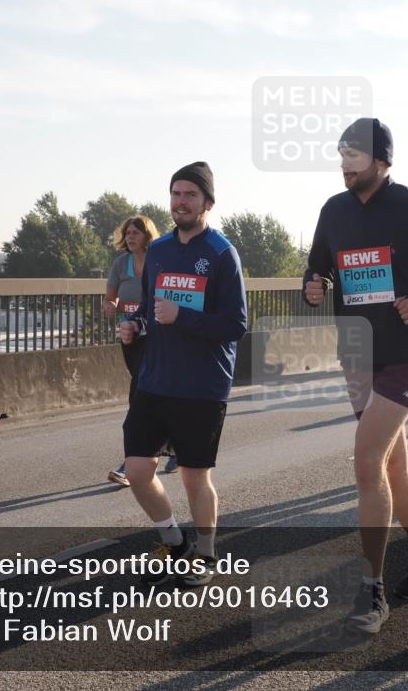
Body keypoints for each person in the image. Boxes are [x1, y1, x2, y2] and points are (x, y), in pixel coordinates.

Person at [304, 118, 408, 633]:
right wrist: (314, 286)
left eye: (353, 156)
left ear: (381, 160)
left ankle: (371, 591)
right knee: (391, 469)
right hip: (357, 347)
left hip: (406, 348)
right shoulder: (333, 211)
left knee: (365, 462)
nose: (344, 165)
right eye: (340, 155)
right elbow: (319, 269)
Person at [119, 161, 247, 588]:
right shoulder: (157, 251)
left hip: (202, 385)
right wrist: (134, 324)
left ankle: (207, 553)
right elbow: (150, 307)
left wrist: (182, 316)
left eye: (191, 194)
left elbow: (236, 325)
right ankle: (174, 541)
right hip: (154, 379)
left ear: (208, 203)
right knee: (138, 470)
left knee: (194, 475)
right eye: (176, 193)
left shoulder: (221, 253)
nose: (181, 201)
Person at [103, 216, 179, 485]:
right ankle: (177, 443)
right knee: (146, 391)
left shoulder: (159, 260)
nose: (131, 237)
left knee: (140, 393)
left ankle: (131, 462)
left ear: (147, 235)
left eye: (136, 232)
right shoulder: (120, 264)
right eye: (128, 233)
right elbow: (110, 297)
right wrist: (110, 306)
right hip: (129, 336)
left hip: (156, 336)